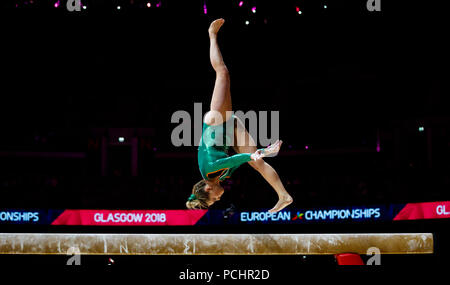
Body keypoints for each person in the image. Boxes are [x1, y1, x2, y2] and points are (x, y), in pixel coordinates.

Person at [186, 19, 293, 213]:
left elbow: (233, 160)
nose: (218, 199)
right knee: (257, 162)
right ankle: (284, 196)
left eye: (213, 199)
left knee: (222, 73)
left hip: (216, 122)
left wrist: (260, 152)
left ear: (208, 189)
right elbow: (241, 160)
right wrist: (262, 152)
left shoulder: (209, 169)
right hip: (229, 130)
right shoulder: (221, 176)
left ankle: (212, 34)